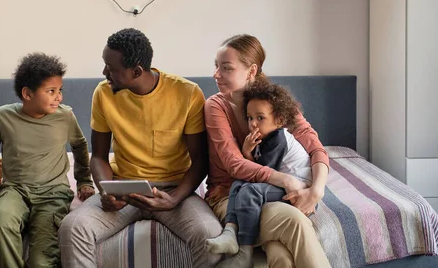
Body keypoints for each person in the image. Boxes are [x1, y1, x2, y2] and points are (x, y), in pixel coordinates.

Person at [58, 28, 222, 268]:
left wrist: (174, 199)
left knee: (210, 234)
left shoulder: (187, 93)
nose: (105, 74)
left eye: (111, 68)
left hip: (173, 189)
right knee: (72, 228)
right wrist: (106, 191)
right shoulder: (103, 94)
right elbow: (99, 157)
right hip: (123, 188)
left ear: (136, 71)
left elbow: (200, 160)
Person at [205, 34, 331, 268]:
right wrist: (287, 180)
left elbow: (314, 146)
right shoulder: (216, 106)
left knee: (281, 257)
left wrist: (316, 190)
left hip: (271, 194)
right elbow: (234, 164)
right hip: (228, 196)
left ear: (251, 71)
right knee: (295, 222)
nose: (216, 74)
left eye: (226, 68)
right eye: (216, 66)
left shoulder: (275, 102)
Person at [0, 53, 95, 268]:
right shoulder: (2, 116)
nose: (59, 97)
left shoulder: (65, 116)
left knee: (41, 261)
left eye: (60, 90)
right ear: (27, 93)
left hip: (54, 193)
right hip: (14, 190)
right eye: (51, 91)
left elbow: (80, 146)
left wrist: (84, 181)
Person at [207, 79, 314, 267]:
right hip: (281, 184)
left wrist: (246, 153)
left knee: (248, 190)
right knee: (238, 184)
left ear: (279, 120)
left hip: (298, 189)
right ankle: (230, 231)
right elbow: (255, 173)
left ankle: (244, 252)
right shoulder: (264, 137)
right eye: (249, 118)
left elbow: (262, 173)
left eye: (260, 118)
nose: (253, 124)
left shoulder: (278, 138)